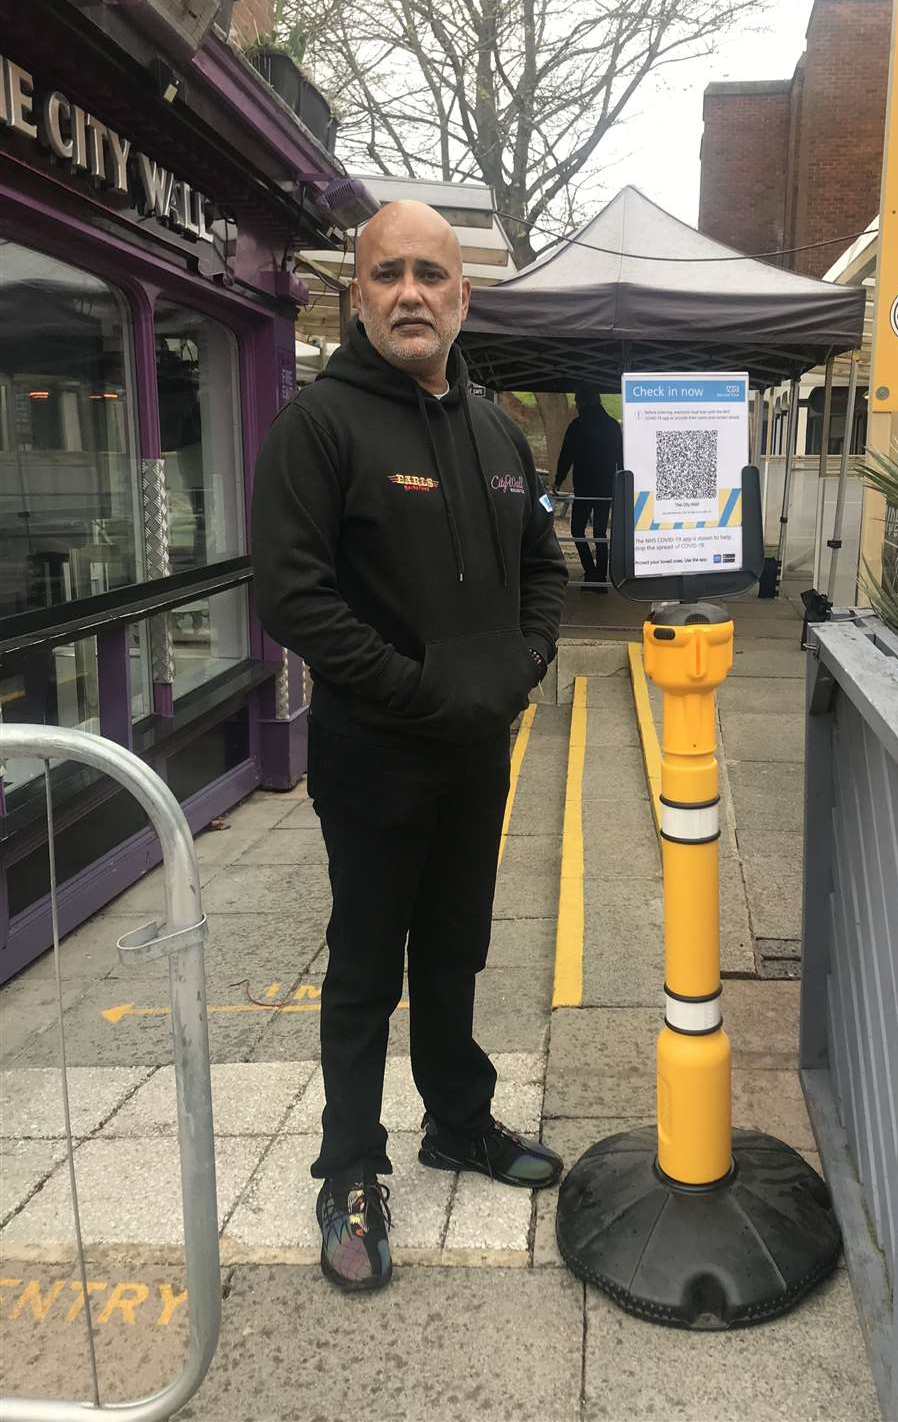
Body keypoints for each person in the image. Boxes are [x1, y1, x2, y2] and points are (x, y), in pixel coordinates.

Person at [251, 200, 568, 1294]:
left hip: (476, 753)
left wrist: (520, 667)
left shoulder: (493, 431)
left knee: (453, 947)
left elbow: (545, 565)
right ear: (358, 295)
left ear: (463, 295)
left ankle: (458, 1122)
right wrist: (415, 693)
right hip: (376, 754)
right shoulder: (320, 427)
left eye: (432, 274)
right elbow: (292, 596)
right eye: (388, 274)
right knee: (362, 968)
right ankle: (347, 1169)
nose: (410, 293)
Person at [553, 387, 622, 592]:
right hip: (605, 487)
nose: (576, 406)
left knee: (577, 530)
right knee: (600, 533)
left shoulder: (577, 425)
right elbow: (621, 457)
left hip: (583, 487)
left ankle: (590, 570)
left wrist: (558, 480)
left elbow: (567, 455)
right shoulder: (612, 426)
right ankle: (600, 577)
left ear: (585, 402)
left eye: (577, 402)